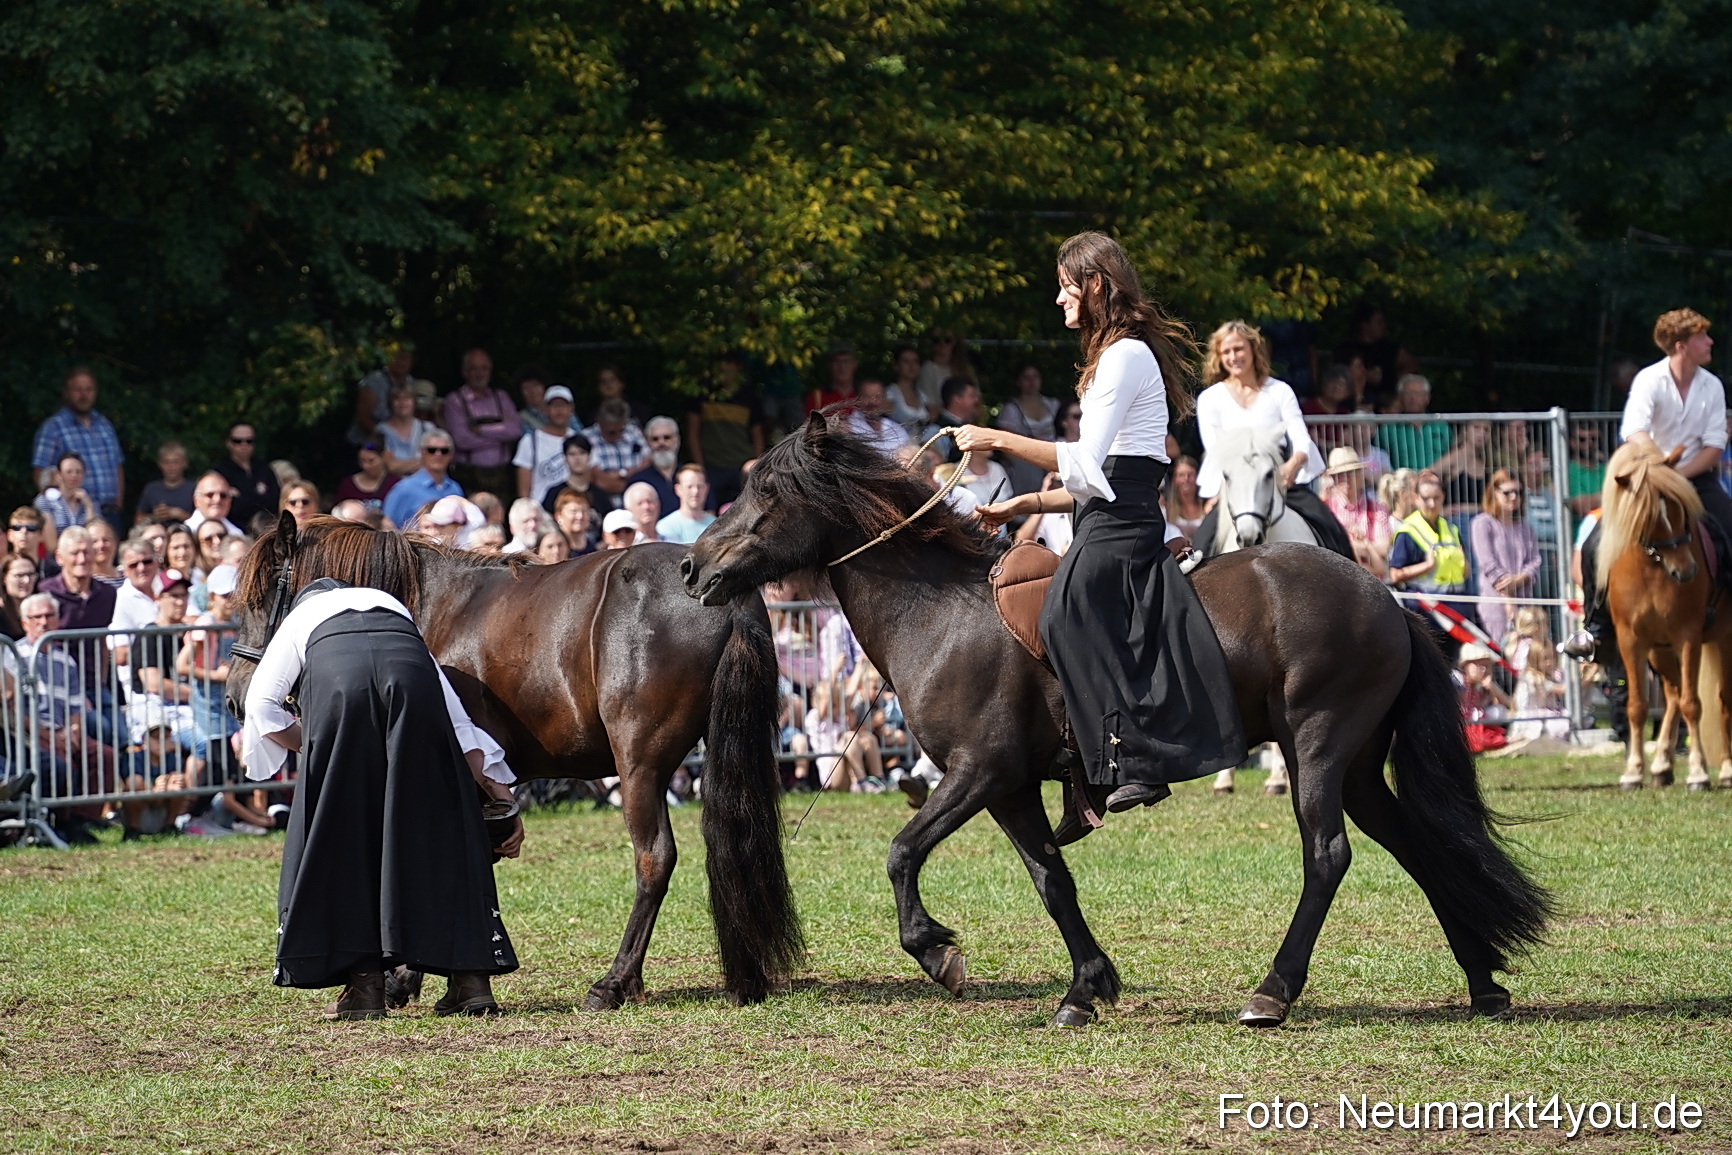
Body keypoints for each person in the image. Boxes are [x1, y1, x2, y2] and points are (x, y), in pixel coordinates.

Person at [959, 231, 1246, 844]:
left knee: (1064, 613)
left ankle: (1135, 763)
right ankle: (1084, 770)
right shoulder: (1111, 356)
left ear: (1093, 284)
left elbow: (1090, 466)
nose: (1059, 300)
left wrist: (1000, 438)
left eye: (1065, 287)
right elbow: (1098, 478)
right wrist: (1028, 500)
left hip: (1124, 526)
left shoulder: (1124, 356)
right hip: (1105, 514)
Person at [241, 578, 522, 1019]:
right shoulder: (391, 611)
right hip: (410, 683)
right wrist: (501, 799)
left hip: (339, 692)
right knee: (442, 825)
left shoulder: (300, 619)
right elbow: (460, 726)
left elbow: (260, 706)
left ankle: (366, 989)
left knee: (344, 837)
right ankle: (471, 982)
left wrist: (314, 745)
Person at [1565, 308, 1728, 661]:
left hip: (1694, 477)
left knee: (1729, 525)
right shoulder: (1649, 380)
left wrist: (1678, 479)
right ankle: (1596, 629)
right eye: (1703, 336)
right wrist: (1661, 470)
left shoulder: (1711, 385)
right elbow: (1634, 431)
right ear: (1682, 346)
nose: (1710, 342)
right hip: (1648, 477)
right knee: (1596, 542)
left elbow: (1715, 445)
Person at [1191, 321, 1348, 557]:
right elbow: (1214, 451)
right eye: (1226, 351)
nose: (1233, 356)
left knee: (1331, 529)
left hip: (1281, 480)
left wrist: (1292, 465)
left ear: (1254, 349)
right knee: (1200, 548)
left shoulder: (1279, 391)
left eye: (1239, 349)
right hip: (1235, 488)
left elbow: (1300, 437)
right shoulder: (1209, 399)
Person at [32, 366, 125, 530]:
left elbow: (117, 466)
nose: (84, 395)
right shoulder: (53, 428)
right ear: (66, 392)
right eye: (78, 390)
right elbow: (40, 473)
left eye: (89, 389)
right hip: (75, 516)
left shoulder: (104, 425)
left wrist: (118, 503)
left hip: (109, 513)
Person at [1388, 476, 1471, 644]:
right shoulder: (1407, 531)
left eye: (1436, 498)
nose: (1432, 504)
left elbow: (1465, 572)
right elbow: (1395, 574)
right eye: (1426, 499)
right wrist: (1427, 566)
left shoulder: (1451, 528)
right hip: (1426, 614)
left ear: (1443, 497)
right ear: (1416, 498)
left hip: (1455, 611)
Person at [1468, 469, 1539, 645]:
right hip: (1494, 604)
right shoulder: (1482, 523)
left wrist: (1520, 578)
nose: (1514, 497)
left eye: (1519, 492)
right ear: (1494, 493)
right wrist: (1507, 599)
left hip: (1524, 602)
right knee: (1500, 653)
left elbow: (1535, 561)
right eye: (1507, 492)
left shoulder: (1526, 528)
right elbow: (1488, 564)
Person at [686, 355, 765, 508]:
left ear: (737, 367)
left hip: (741, 467)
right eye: (720, 363)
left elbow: (757, 436)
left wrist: (756, 466)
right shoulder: (702, 392)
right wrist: (701, 468)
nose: (723, 367)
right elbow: (692, 433)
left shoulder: (749, 396)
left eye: (728, 362)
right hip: (711, 467)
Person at [444, 348, 520, 496]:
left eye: (484, 368)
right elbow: (461, 440)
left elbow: (516, 430)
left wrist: (482, 431)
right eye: (474, 369)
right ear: (465, 372)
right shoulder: (455, 400)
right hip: (468, 476)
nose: (480, 373)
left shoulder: (501, 398)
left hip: (502, 475)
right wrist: (501, 437)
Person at [1320, 447, 1392, 578]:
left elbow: (1384, 548)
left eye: (1351, 473)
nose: (1346, 479)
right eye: (1340, 475)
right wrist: (1365, 546)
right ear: (1333, 479)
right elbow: (1323, 549)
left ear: (1360, 475)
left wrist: (1347, 546)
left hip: (1372, 581)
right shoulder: (1324, 509)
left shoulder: (1377, 508)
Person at [348, 345, 436, 444]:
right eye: (396, 357)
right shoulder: (374, 381)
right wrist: (386, 436)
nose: (401, 362)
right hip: (366, 443)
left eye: (405, 358)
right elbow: (363, 418)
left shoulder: (414, 384)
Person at [995, 362, 1061, 494]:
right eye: (1026, 377)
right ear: (1018, 382)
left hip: (1054, 461)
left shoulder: (1053, 405)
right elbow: (1004, 446)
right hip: (1026, 470)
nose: (1032, 381)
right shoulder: (1011, 410)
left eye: (1035, 377)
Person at [382, 430, 464, 529]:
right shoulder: (404, 489)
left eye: (444, 451)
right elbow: (386, 526)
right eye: (431, 450)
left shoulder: (455, 489)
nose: (438, 454)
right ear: (422, 453)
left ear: (451, 455)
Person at [513, 385, 580, 505]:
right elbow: (523, 491)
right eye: (554, 405)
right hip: (540, 511)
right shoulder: (530, 442)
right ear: (545, 409)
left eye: (563, 405)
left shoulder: (579, 441)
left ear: (571, 409)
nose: (559, 410)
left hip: (573, 509)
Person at [585, 399, 651, 514]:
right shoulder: (587, 439)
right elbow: (600, 481)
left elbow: (649, 463)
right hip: (606, 506)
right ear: (599, 422)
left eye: (621, 430)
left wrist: (622, 474)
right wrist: (633, 479)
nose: (618, 435)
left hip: (637, 507)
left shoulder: (633, 432)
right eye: (611, 432)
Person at [1376, 374, 1451, 472]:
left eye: (1418, 393)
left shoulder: (1441, 426)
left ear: (1427, 398)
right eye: (1408, 393)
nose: (1413, 398)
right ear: (1400, 398)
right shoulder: (1388, 429)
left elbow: (1450, 454)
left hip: (1436, 483)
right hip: (1402, 484)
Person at [214, 423, 280, 527]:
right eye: (237, 441)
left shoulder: (264, 469)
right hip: (234, 531)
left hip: (266, 529)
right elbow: (231, 508)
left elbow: (275, 501)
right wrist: (257, 499)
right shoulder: (220, 473)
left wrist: (242, 497)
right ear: (228, 443)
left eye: (249, 441)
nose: (244, 445)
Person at [33, 452, 101, 547]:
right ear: (59, 475)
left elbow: (94, 537)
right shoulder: (45, 501)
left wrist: (89, 506)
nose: (74, 475)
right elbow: (51, 544)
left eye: (78, 472)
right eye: (69, 472)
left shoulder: (91, 501)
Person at [625, 417, 682, 515]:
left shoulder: (692, 475)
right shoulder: (638, 480)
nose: (661, 443)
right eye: (655, 439)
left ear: (677, 440)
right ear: (648, 443)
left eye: (667, 437)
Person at [379, 385, 438, 476]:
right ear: (390, 403)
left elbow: (435, 460)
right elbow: (390, 466)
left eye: (407, 398)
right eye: (397, 399)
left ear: (414, 402)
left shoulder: (427, 428)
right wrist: (421, 462)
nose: (402, 403)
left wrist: (401, 465)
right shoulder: (381, 431)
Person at [845, 378, 912, 456]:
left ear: (884, 400)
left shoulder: (897, 429)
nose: (872, 402)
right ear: (857, 399)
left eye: (877, 397)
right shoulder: (848, 429)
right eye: (867, 397)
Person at [655, 465, 717, 545]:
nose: (695, 492)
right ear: (678, 489)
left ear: (706, 489)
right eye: (689, 487)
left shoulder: (716, 525)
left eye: (699, 486)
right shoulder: (664, 527)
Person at [136, 441, 195, 524]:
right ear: (159, 464)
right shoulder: (151, 489)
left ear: (185, 463)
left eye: (176, 462)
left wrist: (180, 515)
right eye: (166, 462)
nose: (171, 467)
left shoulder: (193, 489)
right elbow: (138, 520)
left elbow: (203, 522)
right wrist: (154, 517)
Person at [332, 443, 399, 515]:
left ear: (383, 458)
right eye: (362, 461)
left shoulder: (395, 484)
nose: (366, 466)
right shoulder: (347, 485)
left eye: (371, 461)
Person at [538, 433, 595, 516]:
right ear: (565, 458)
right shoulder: (554, 494)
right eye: (572, 454)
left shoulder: (600, 495)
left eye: (582, 453)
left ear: (589, 457)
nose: (577, 458)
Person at [927, 378, 981, 462]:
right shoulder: (936, 432)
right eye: (972, 396)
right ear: (957, 399)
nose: (976, 400)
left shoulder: (970, 426)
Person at [592, 364, 651, 429]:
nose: (608, 384)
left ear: (622, 383)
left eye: (612, 380)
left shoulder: (639, 410)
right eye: (603, 381)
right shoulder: (594, 415)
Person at [1161, 456, 1207, 539]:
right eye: (1181, 475)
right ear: (1175, 479)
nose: (1186, 479)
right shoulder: (1167, 511)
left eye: (1190, 474)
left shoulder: (1207, 506)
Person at [7, 508, 57, 579]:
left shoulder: (54, 572)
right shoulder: (3, 570)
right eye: (17, 527)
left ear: (41, 535)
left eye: (31, 528)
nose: (24, 531)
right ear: (9, 535)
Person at [0, 555, 39, 640]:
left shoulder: (43, 609)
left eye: (31, 574)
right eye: (19, 575)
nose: (26, 580)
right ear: (4, 578)